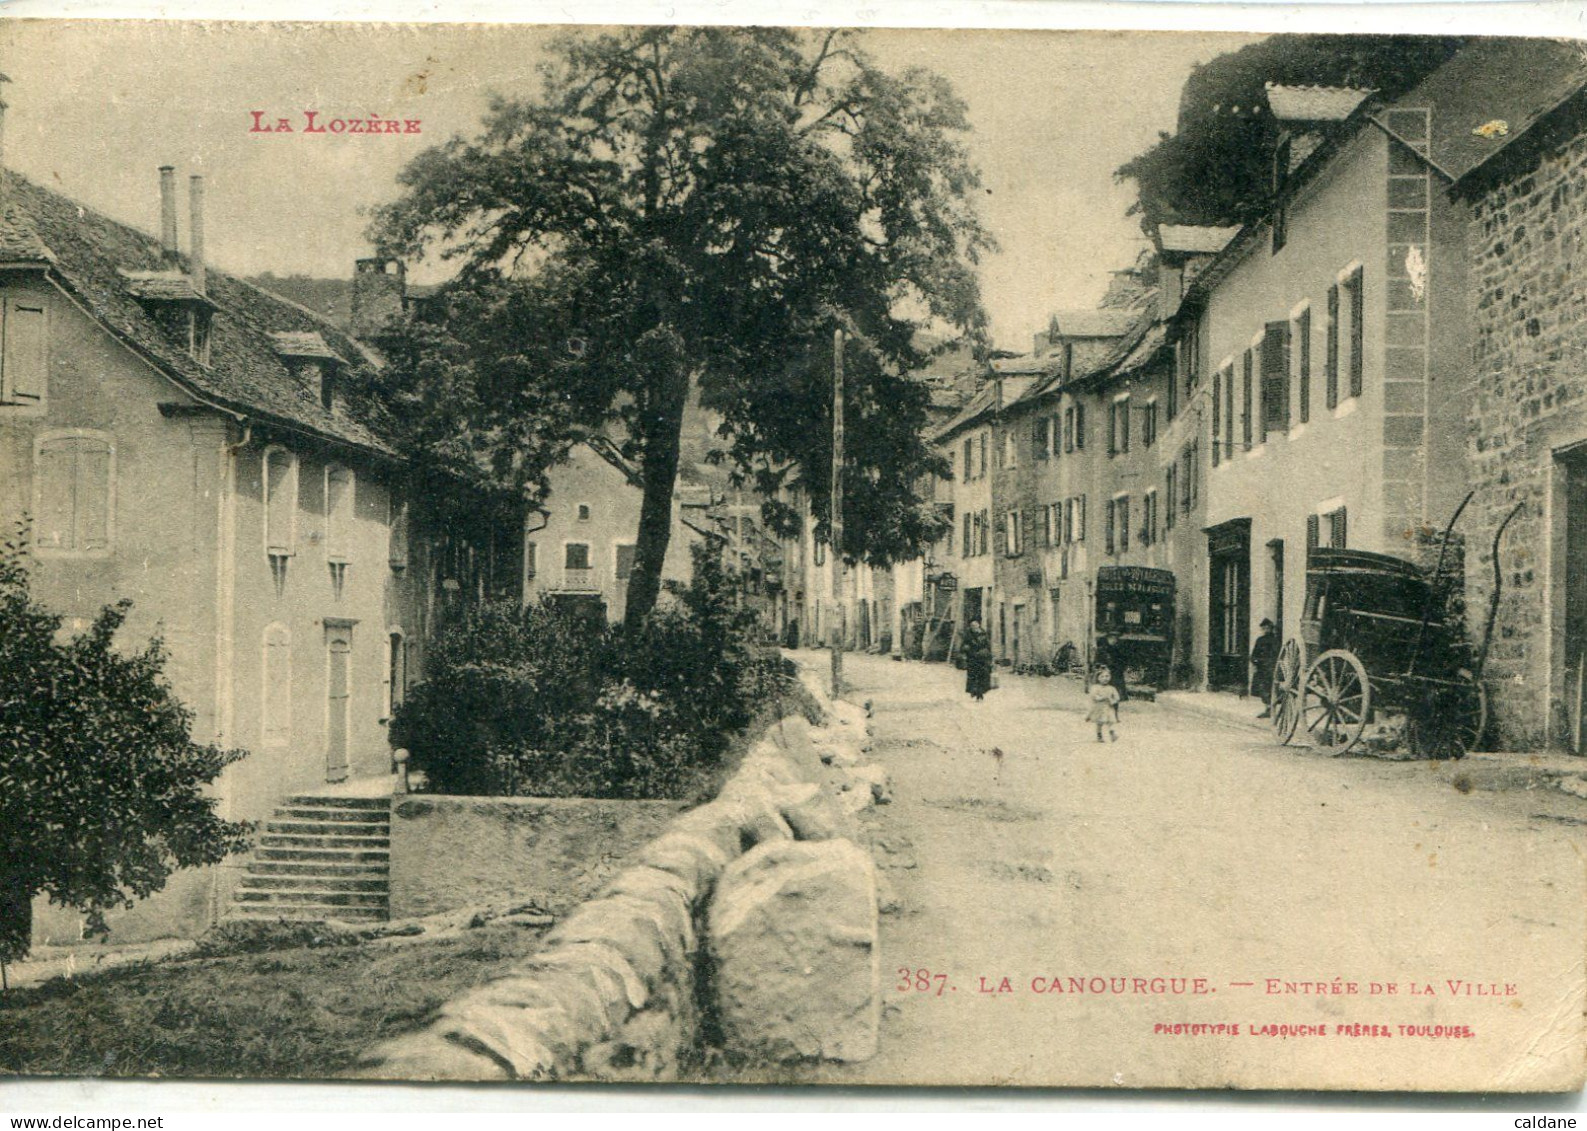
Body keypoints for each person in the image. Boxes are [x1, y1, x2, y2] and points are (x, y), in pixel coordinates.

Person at [1250, 617, 1280, 718]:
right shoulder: (1260, 640)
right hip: (1261, 668)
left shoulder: (1275, 640)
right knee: (1262, 688)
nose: (1266, 630)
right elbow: (1254, 653)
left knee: (1269, 688)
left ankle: (1271, 708)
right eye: (1264, 628)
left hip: (1270, 667)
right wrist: (1255, 662)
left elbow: (1277, 655)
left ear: (1271, 628)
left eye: (1268, 628)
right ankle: (1267, 708)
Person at [962, 618, 994, 702]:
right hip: (972, 659)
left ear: (979, 625)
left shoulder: (984, 634)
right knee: (973, 676)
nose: (974, 627)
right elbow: (964, 645)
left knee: (982, 676)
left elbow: (988, 646)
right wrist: (967, 649)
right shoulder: (968, 635)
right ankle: (975, 692)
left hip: (983, 659)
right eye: (972, 625)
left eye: (975, 625)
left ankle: (980, 693)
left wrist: (989, 656)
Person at [1088, 665, 1121, 742]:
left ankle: (1112, 733)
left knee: (1111, 721)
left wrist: (1113, 701)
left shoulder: (1112, 688)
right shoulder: (1095, 687)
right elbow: (1094, 697)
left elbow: (1117, 698)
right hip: (1099, 708)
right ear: (1098, 678)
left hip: (1108, 707)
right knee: (1100, 722)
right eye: (1102, 676)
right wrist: (1102, 698)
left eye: (1107, 676)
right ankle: (1099, 736)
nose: (1105, 678)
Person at [1095, 631, 1128, 703]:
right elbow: (1097, 661)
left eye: (1115, 639)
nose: (1113, 640)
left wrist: (1120, 667)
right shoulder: (1102, 649)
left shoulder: (1118, 649)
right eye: (1111, 638)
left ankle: (1117, 697)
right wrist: (1103, 666)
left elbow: (1123, 661)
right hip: (1104, 670)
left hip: (1115, 671)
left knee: (1117, 677)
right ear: (1107, 639)